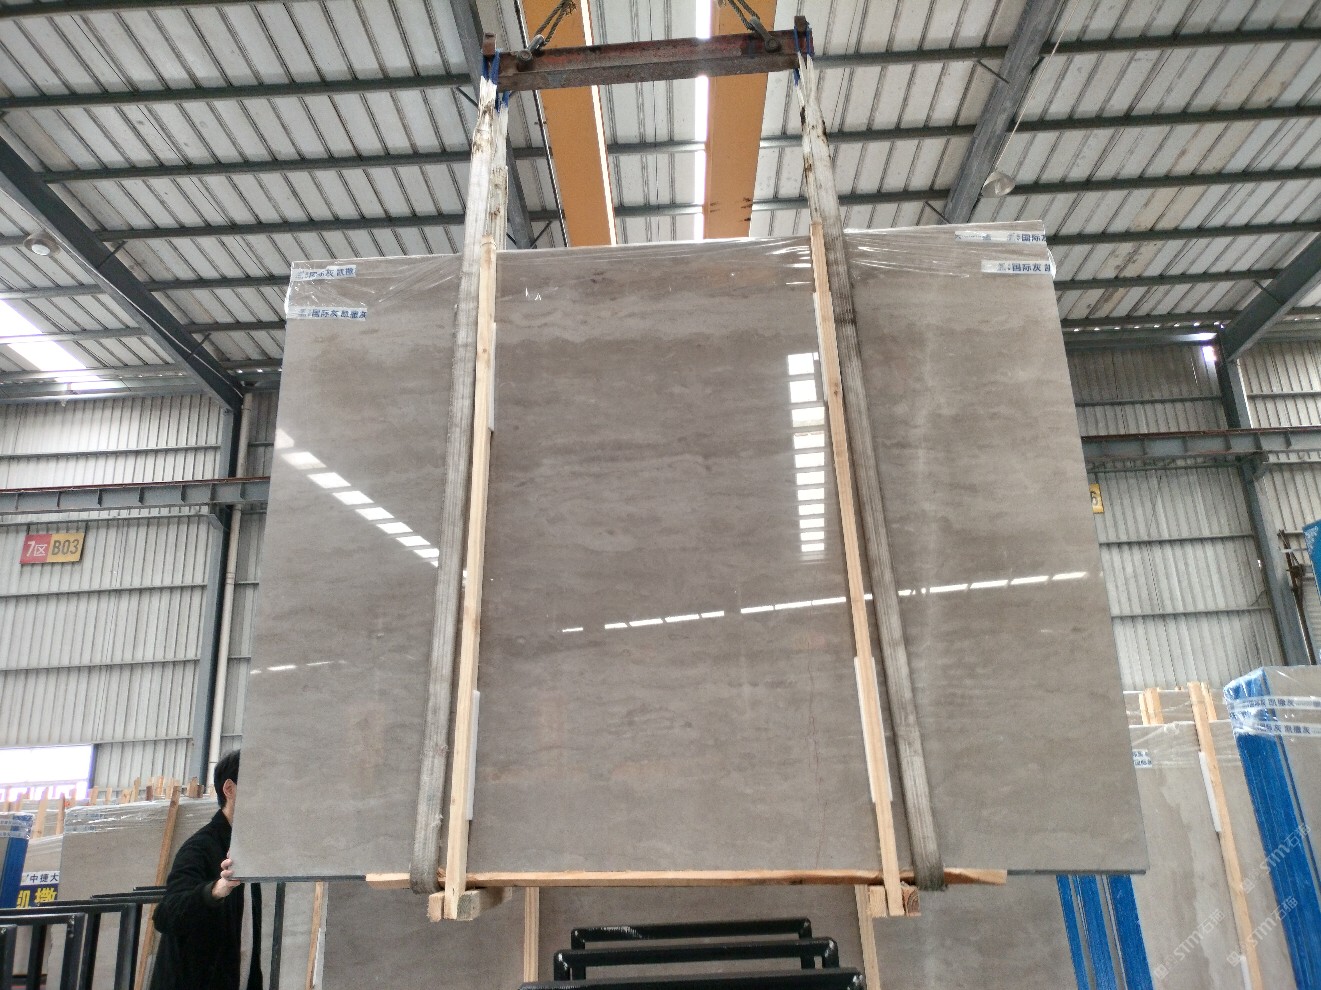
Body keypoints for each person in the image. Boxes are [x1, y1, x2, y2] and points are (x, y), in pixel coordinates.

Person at [150, 750, 262, 990]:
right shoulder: (200, 847)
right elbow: (166, 915)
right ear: (229, 789)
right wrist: (214, 891)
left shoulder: (245, 849)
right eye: (257, 785)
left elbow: (246, 938)